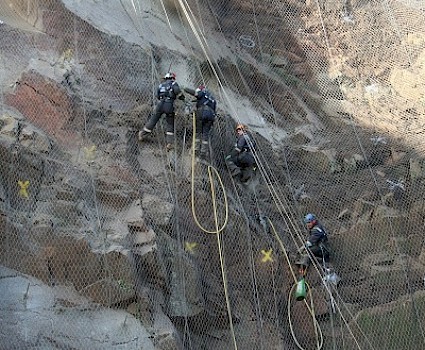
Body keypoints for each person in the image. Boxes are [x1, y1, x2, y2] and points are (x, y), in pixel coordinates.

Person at [138, 72, 185, 150]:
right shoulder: (173, 84)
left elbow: (157, 95)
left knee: (153, 120)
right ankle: (169, 143)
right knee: (170, 123)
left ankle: (142, 134)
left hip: (160, 105)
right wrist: (182, 98)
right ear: (172, 78)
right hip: (169, 105)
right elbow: (178, 93)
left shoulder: (160, 85)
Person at [184, 85, 217, 157]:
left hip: (202, 112)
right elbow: (214, 110)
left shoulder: (201, 92)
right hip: (211, 116)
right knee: (205, 134)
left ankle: (195, 149)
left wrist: (185, 88)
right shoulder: (212, 99)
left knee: (198, 131)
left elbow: (196, 94)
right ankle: (203, 151)